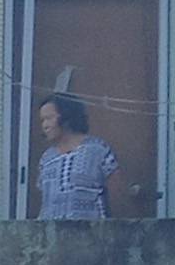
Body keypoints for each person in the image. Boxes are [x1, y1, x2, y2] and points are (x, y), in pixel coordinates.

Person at [35, 92, 120, 220]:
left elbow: (116, 196)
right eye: (42, 120)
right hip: (53, 236)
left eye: (49, 118)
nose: (45, 126)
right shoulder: (47, 159)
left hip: (91, 235)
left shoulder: (97, 150)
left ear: (67, 117)